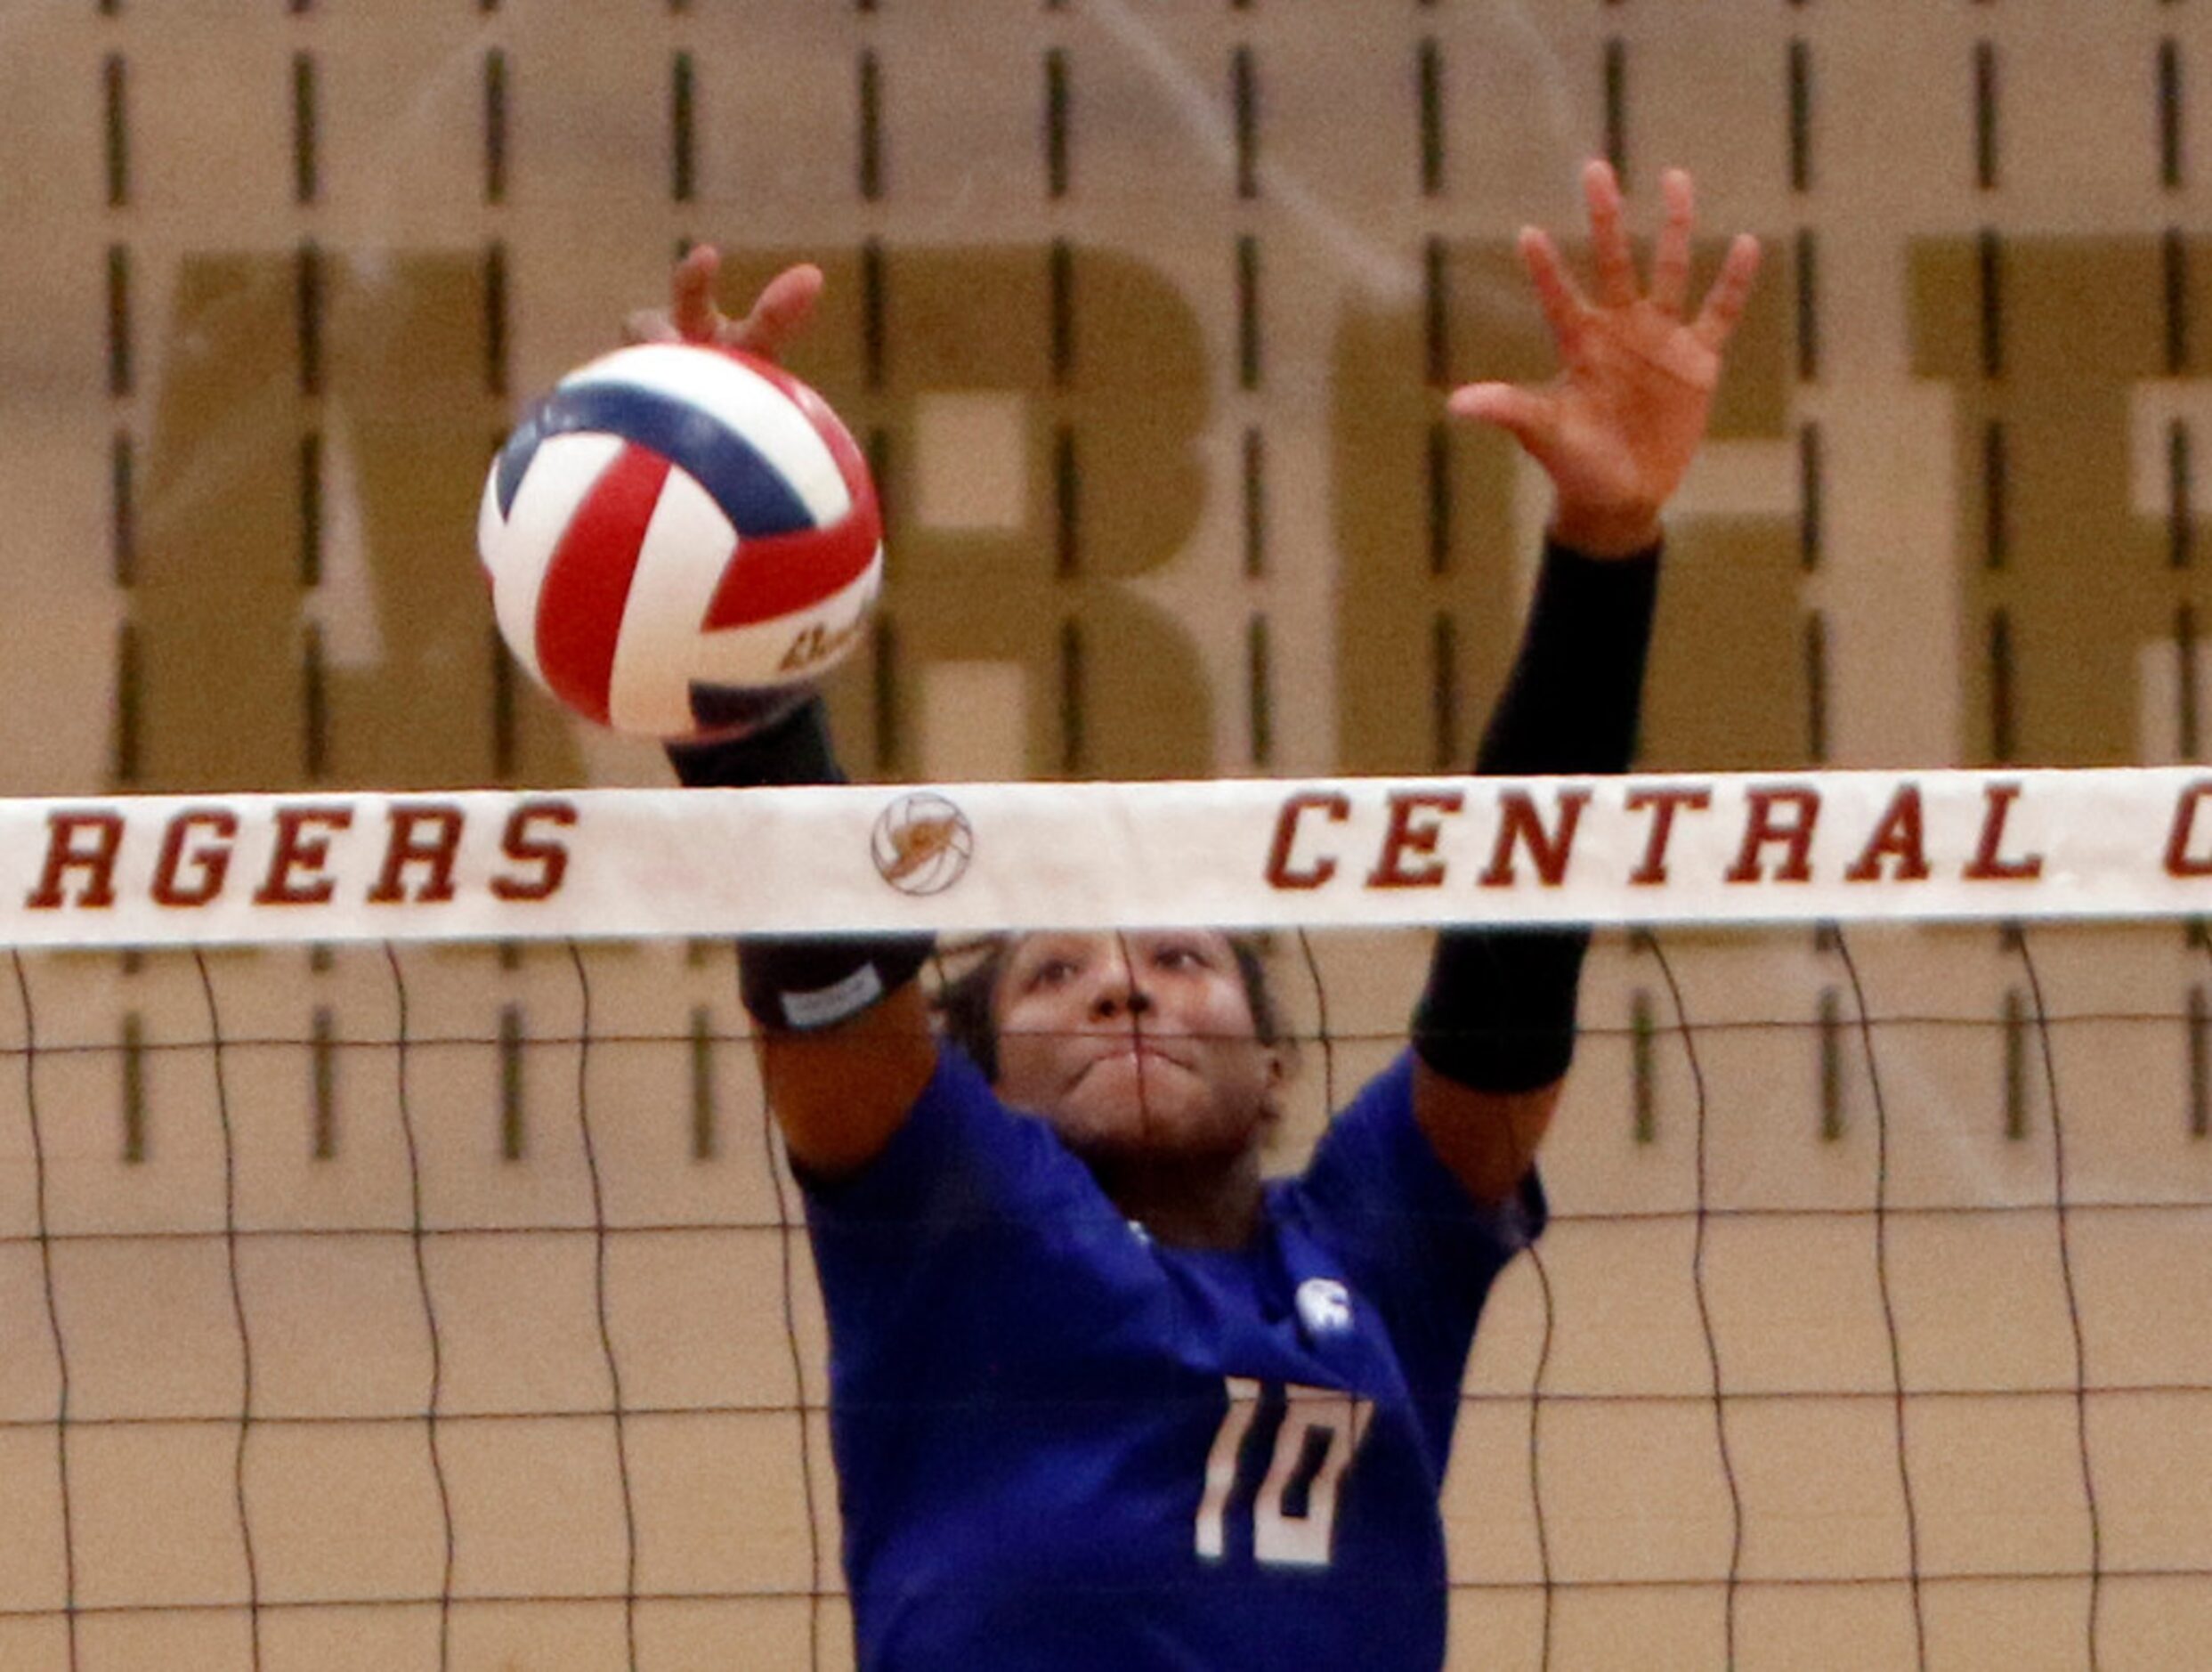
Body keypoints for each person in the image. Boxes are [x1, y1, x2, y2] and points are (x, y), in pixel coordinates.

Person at [641, 161, 1758, 1669]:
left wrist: (1606, 544)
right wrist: (723, 594)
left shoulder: (1375, 1246)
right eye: (1054, 976)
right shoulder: (945, 1223)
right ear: (970, 1079)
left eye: (1181, 959)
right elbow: (825, 949)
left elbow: (1515, 932)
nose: (1126, 990)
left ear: (1277, 1063)